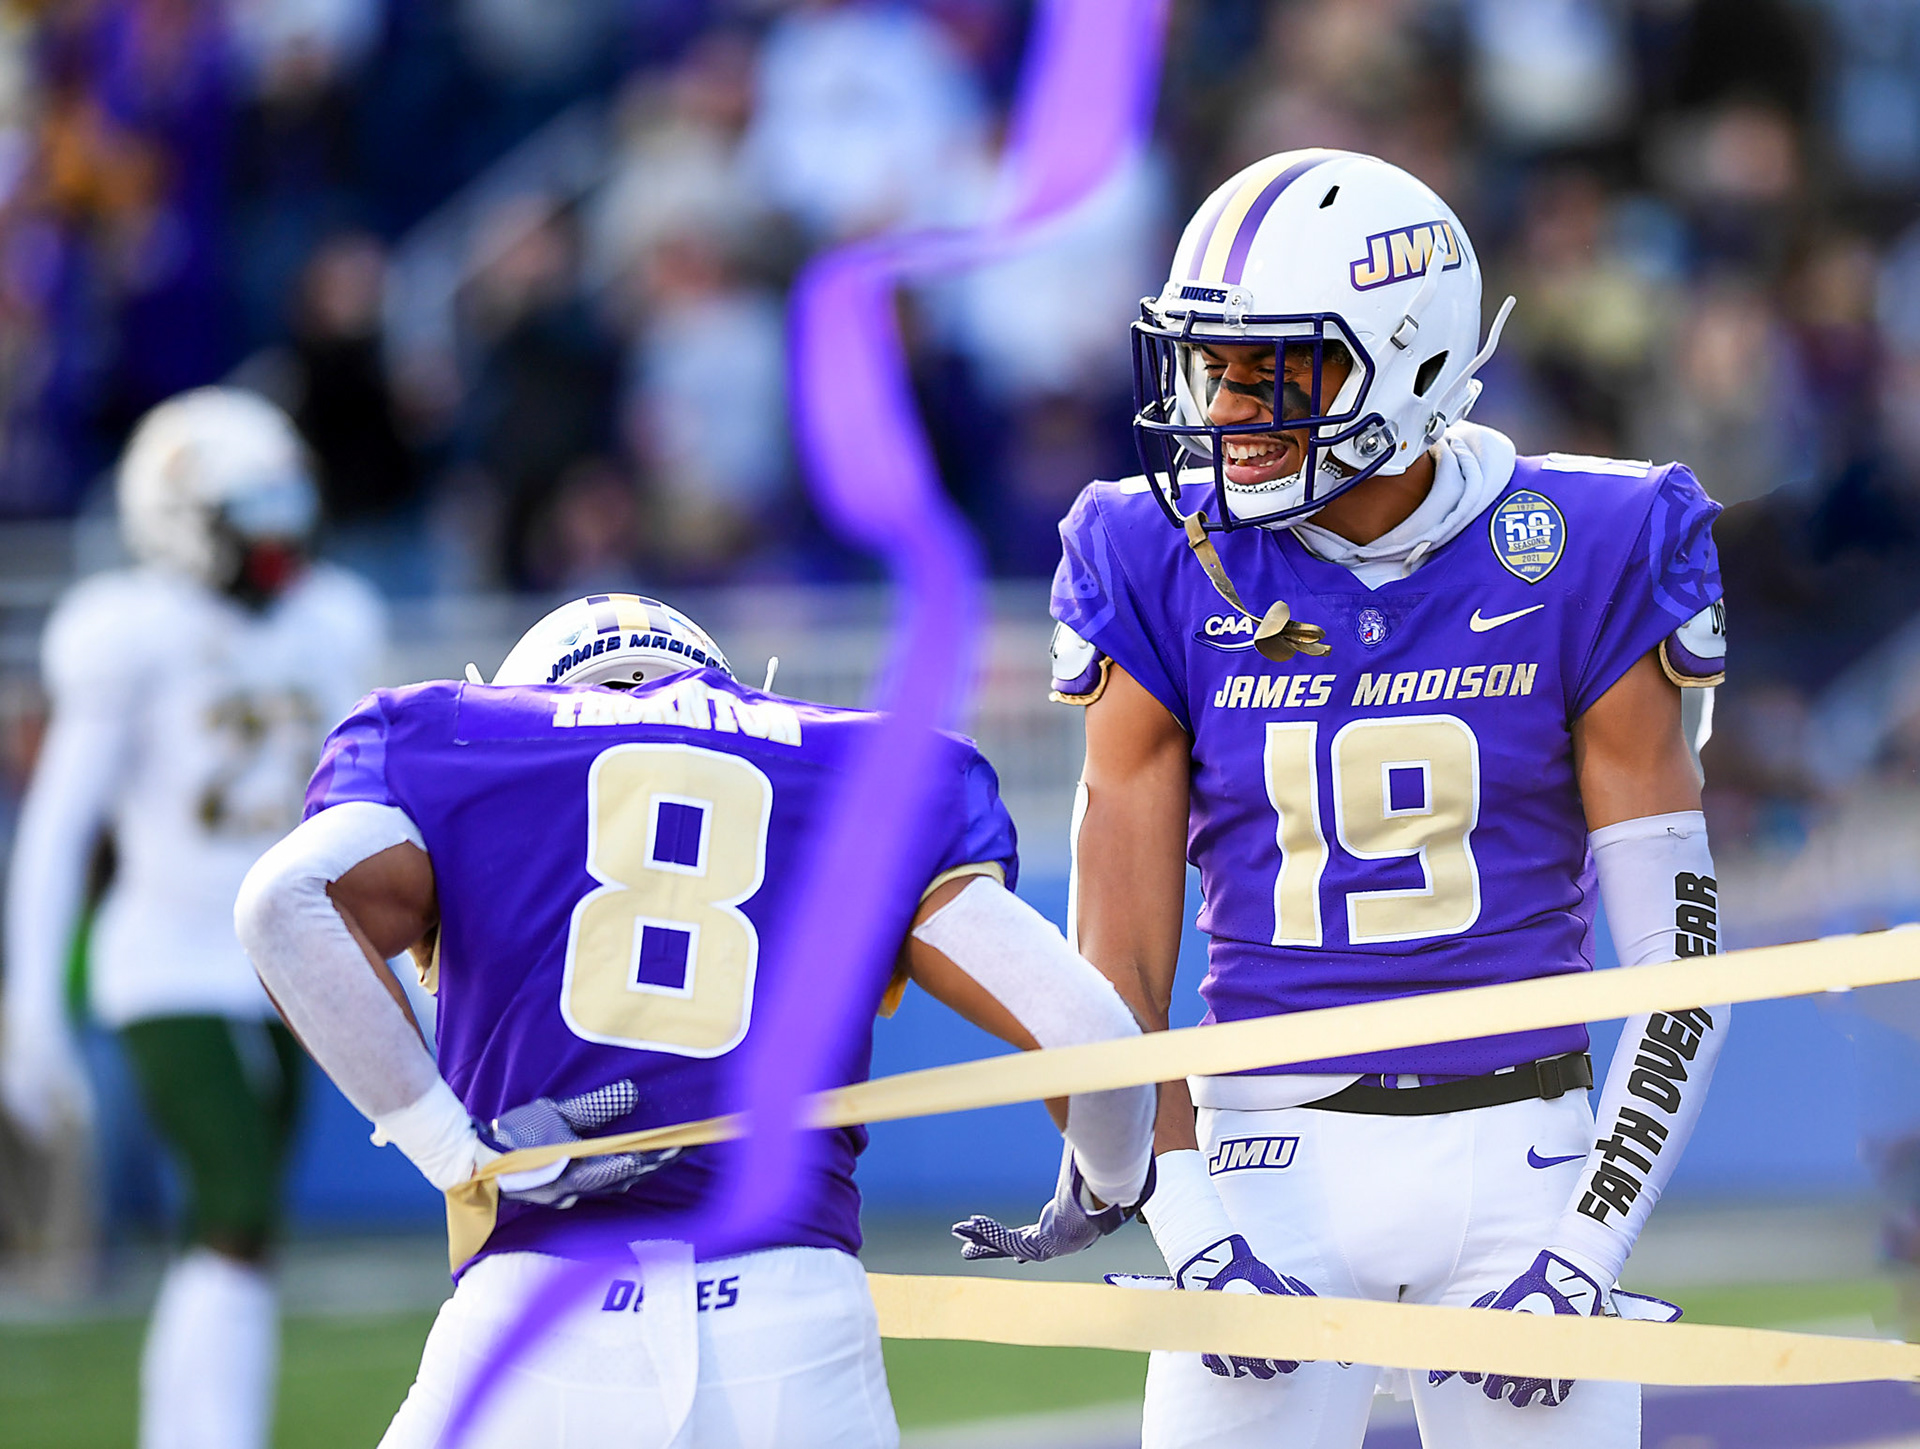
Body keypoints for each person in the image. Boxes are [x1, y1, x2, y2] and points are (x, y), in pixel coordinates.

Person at [956, 149, 1726, 1447]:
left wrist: (1587, 1246)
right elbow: (1117, 970)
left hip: (1526, 1157)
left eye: (1276, 368)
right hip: (1261, 1163)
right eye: (1214, 364)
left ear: (1410, 357)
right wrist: (1192, 1234)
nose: (1228, 405)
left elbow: (1676, 950)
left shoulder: (1593, 541)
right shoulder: (1156, 550)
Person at [232, 592, 1156, 1449]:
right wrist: (1105, 1188)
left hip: (534, 1322)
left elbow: (282, 905)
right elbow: (1093, 1034)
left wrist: (452, 1149)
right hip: (795, 1330)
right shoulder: (876, 768)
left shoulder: (455, 738)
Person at [2, 386, 387, 1449]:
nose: (277, 539)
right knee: (236, 1196)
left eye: (283, 508)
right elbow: (60, 824)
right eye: (248, 516)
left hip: (289, 960)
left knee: (239, 1229)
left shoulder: (332, 618)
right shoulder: (128, 631)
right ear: (179, 522)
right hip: (168, 957)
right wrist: (31, 1001)